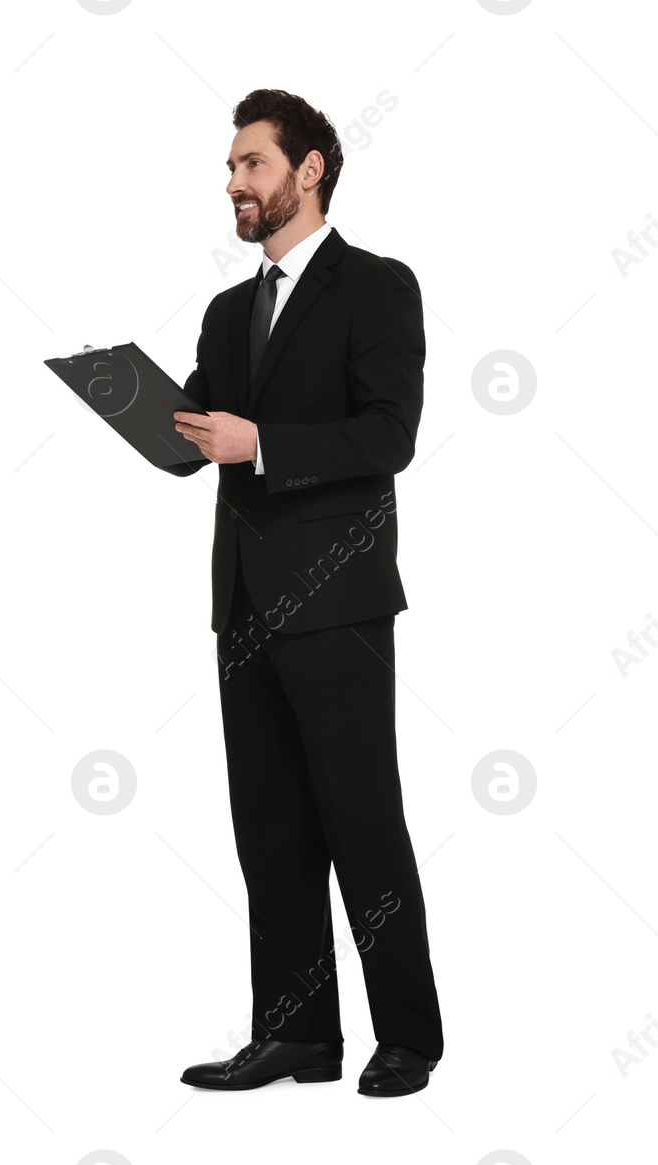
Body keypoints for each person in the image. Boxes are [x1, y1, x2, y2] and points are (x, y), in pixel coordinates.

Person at [166, 89, 443, 1097]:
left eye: (249, 164)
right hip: (242, 603)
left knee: (362, 820)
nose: (233, 183)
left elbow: (387, 436)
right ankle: (295, 1035)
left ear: (308, 169)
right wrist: (149, 414)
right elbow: (191, 443)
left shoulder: (377, 288)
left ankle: (405, 1035)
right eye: (231, 169)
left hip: (339, 606)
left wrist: (264, 444)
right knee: (269, 828)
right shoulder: (228, 309)